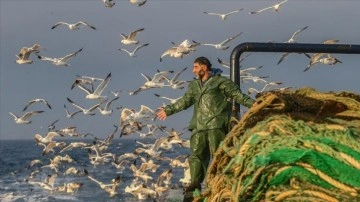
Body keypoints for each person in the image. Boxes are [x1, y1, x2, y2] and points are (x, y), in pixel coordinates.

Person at [156, 56, 255, 201]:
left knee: (219, 156)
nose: (193, 70)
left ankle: (221, 185)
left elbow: (238, 96)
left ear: (204, 67)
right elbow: (186, 100)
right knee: (196, 157)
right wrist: (169, 110)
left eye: (195, 67)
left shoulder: (220, 82)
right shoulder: (194, 85)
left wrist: (257, 104)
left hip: (216, 125)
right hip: (199, 126)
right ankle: (193, 189)